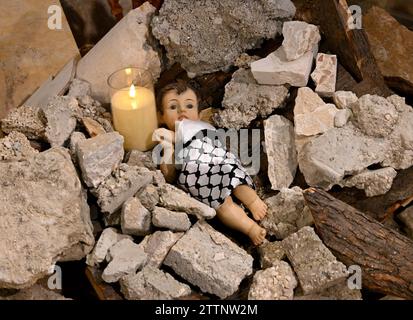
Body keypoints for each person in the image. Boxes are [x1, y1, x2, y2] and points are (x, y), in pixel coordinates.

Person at [153, 80, 267, 245]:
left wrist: (171, 137)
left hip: (219, 160)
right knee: (222, 205)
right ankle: (249, 228)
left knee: (236, 178)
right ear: (161, 116)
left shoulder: (199, 126)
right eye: (172, 107)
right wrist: (167, 148)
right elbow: (169, 175)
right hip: (197, 176)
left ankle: (253, 201)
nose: (182, 110)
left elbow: (208, 138)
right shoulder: (169, 138)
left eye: (189, 106)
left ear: (199, 114)